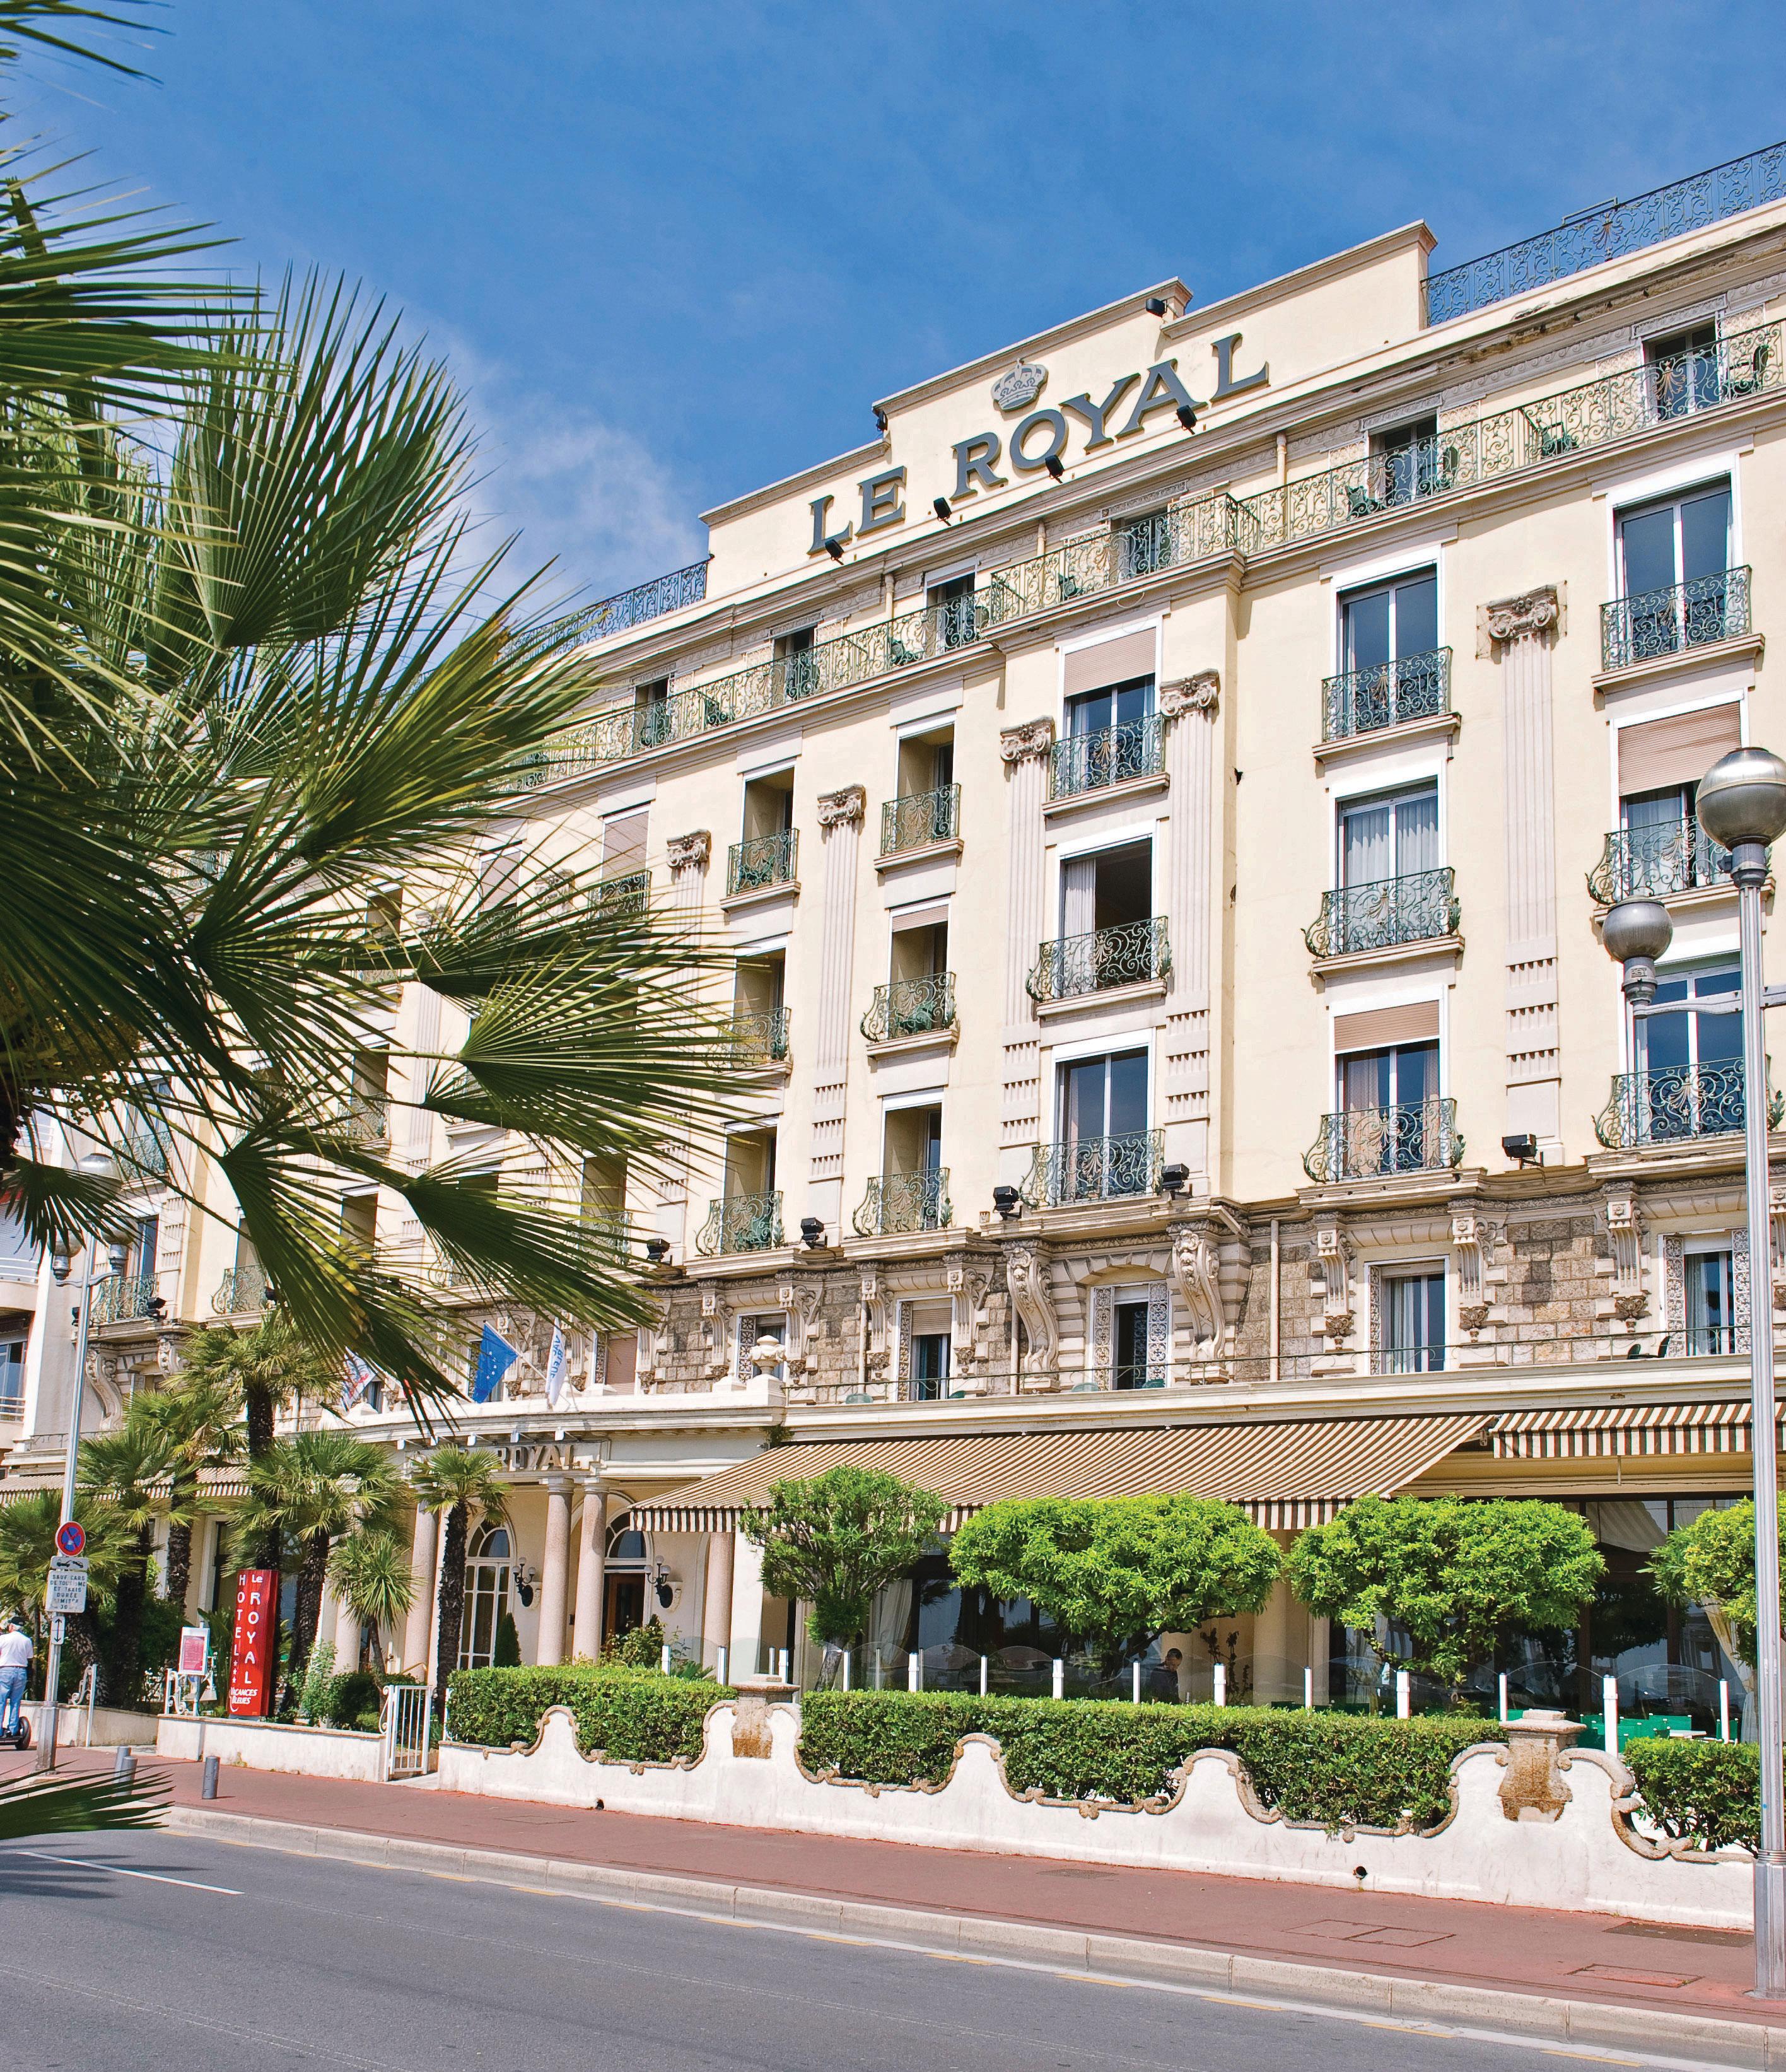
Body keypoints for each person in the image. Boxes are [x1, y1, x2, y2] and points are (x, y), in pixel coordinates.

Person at [0, 1618, 32, 1738]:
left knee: (1, 1701)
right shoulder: (27, 1640)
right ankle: (13, 1730)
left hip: (5, 1670)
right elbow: (29, 1656)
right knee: (16, 1701)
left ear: (12, 1627)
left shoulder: (3, 1638)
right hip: (21, 1672)